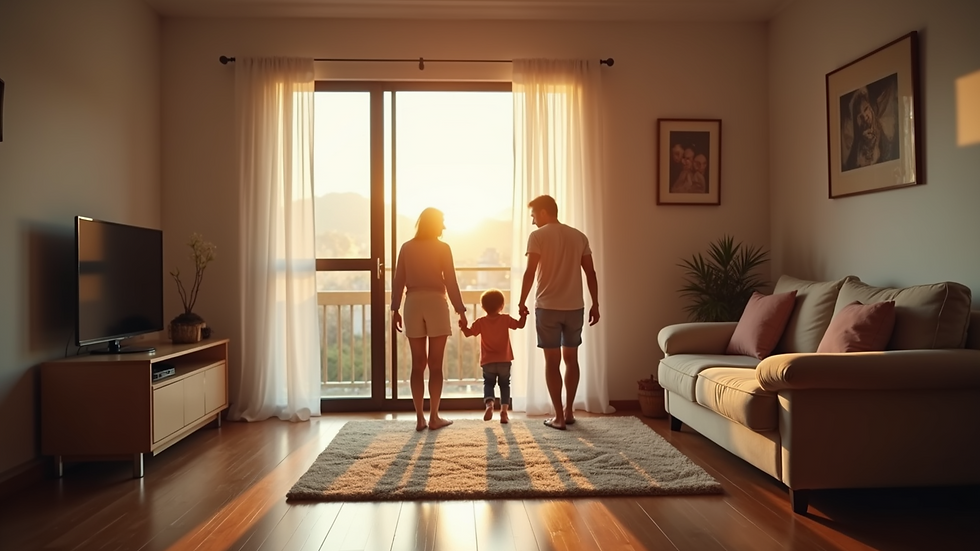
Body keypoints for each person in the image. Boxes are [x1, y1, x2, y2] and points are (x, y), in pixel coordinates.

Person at [518, 195, 600, 430]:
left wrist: (521, 301)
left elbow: (530, 272)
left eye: (533, 215)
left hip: (548, 308)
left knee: (552, 362)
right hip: (575, 307)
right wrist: (596, 304)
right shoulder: (579, 236)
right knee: (571, 360)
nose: (533, 221)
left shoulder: (537, 237)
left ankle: (559, 418)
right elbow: (591, 274)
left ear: (544, 212)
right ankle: (569, 411)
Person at [391, 207, 467, 431]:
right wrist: (460, 310)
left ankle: (419, 419)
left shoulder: (407, 247)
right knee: (435, 365)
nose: (444, 225)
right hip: (436, 303)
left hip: (413, 304)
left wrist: (395, 309)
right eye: (442, 221)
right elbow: (451, 281)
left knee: (417, 364)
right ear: (436, 224)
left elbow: (398, 281)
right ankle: (434, 417)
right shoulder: (443, 248)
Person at [459, 289, 527, 424]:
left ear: (483, 307)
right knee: (504, 385)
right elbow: (520, 325)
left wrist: (463, 326)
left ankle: (489, 405)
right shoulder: (505, 319)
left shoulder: (480, 322)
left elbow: (468, 333)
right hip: (504, 360)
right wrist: (524, 315)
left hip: (488, 362)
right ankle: (504, 412)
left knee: (489, 383)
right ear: (501, 306)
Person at [843, 84, 898, 171]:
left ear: (871, 108)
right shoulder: (857, 144)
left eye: (866, 109)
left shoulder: (884, 131)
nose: (865, 117)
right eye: (861, 116)